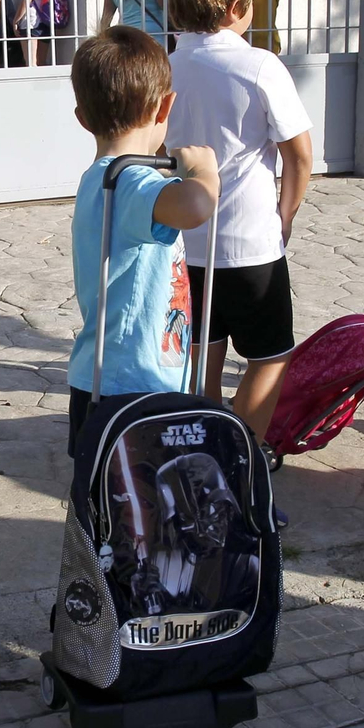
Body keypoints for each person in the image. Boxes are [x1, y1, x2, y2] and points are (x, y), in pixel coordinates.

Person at [164, 0, 314, 468]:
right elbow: (299, 154)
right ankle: (244, 452)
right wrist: (286, 215)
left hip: (184, 241)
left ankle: (207, 445)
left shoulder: (166, 67)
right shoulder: (259, 66)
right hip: (251, 243)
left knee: (202, 354)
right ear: (237, 7)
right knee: (271, 355)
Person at [66, 25, 221, 456]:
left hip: (112, 378)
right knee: (139, 510)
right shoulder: (128, 180)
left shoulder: (102, 178)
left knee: (108, 508)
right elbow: (194, 206)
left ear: (82, 118)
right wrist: (205, 171)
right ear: (165, 106)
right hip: (132, 386)